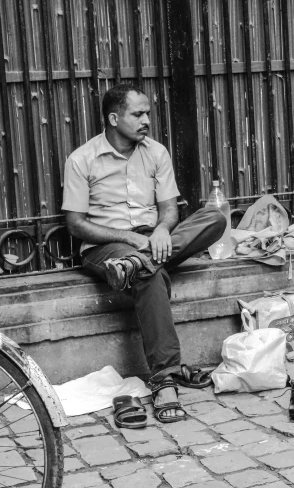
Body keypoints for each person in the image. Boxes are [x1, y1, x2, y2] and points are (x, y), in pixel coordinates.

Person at [62, 83, 227, 423]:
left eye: (147, 113)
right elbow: (76, 225)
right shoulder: (82, 160)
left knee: (214, 216)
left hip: (153, 240)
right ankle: (165, 378)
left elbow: (169, 209)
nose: (146, 120)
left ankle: (136, 263)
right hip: (107, 245)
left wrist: (162, 230)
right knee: (150, 273)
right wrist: (130, 239)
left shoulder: (156, 152)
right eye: (138, 114)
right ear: (113, 118)